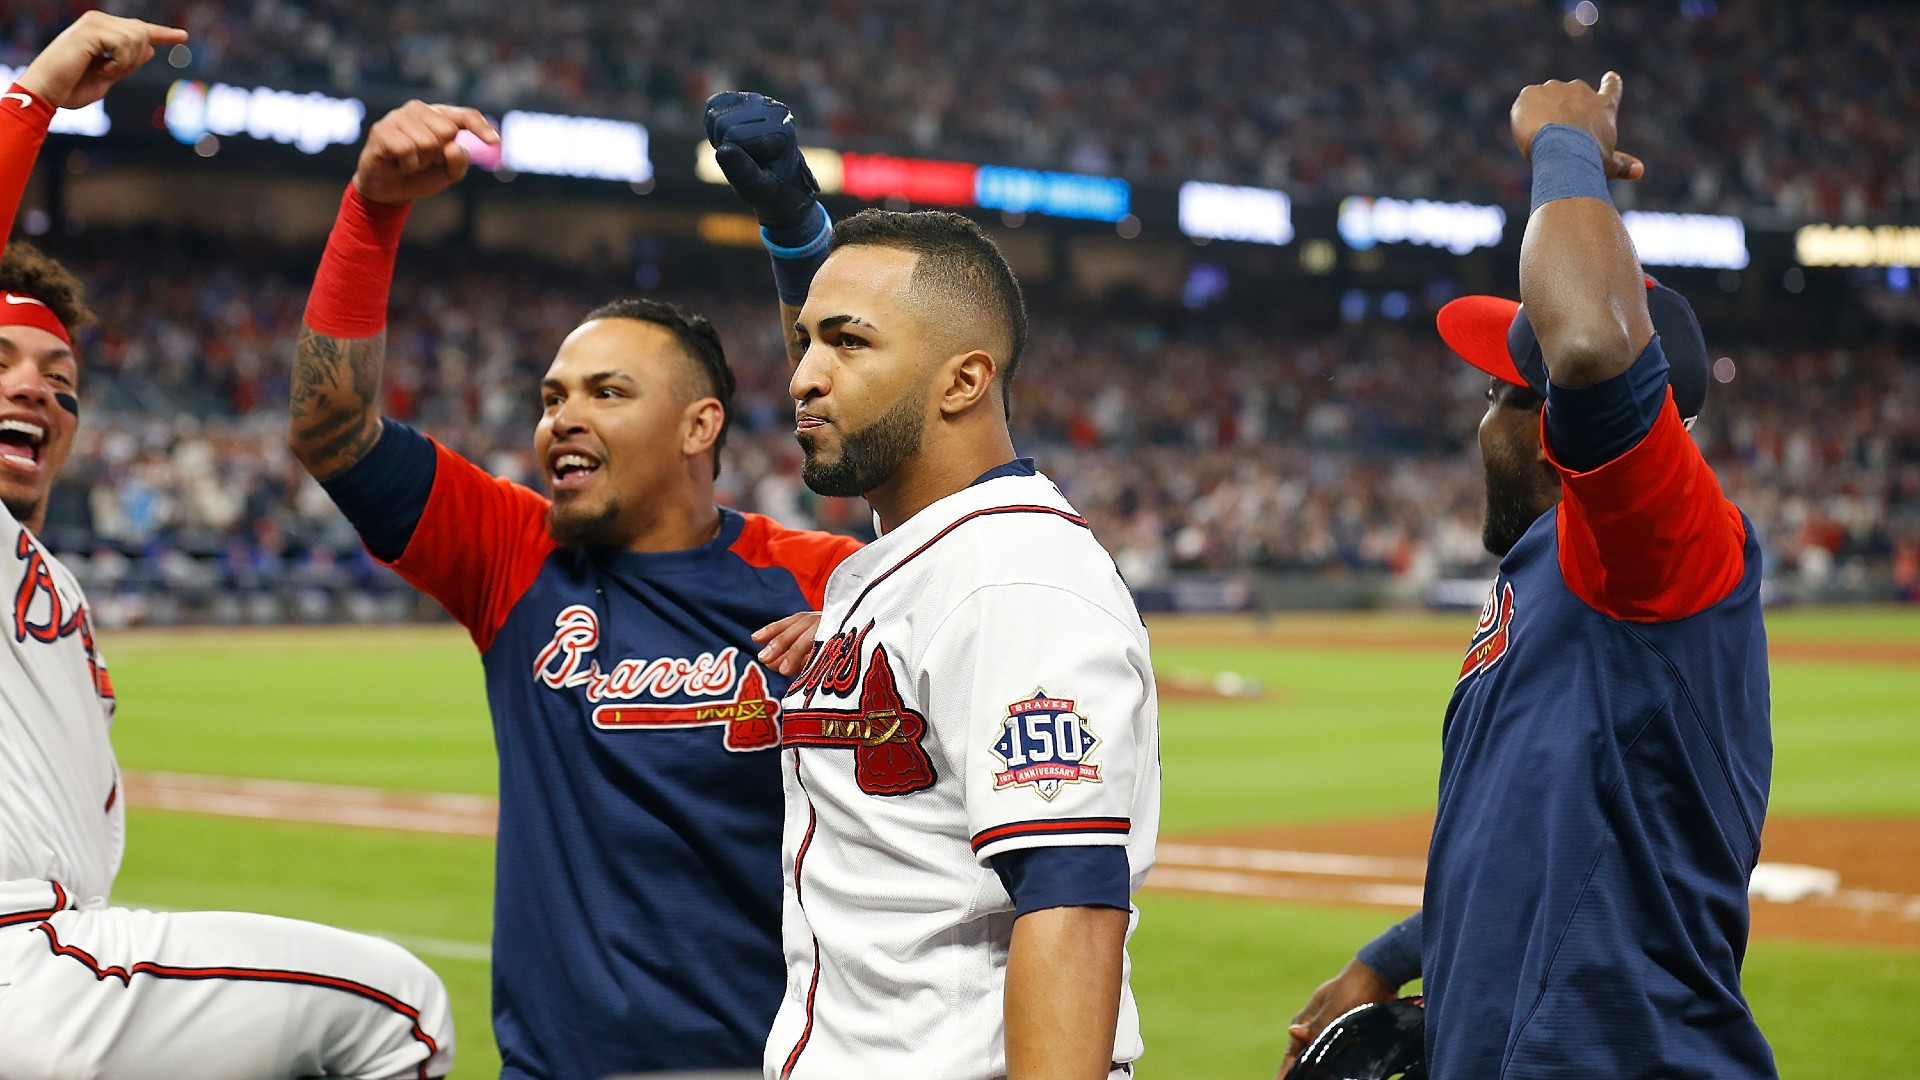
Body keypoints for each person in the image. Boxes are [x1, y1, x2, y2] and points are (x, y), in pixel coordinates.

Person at [287, 100, 862, 1080]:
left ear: (698, 427)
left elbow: (890, 434)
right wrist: (374, 207)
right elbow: (331, 427)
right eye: (553, 396)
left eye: (607, 392)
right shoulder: (514, 553)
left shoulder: (822, 579)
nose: (562, 418)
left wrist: (800, 234)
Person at [1278, 73, 1775, 1080]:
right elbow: (1540, 834)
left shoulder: (1657, 546)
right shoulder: (1550, 569)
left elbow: (1588, 345)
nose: (1481, 424)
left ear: (1555, 427)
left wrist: (1564, 145)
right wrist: (1399, 956)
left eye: (1503, 396)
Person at [0, 14, 454, 1079]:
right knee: (404, 1012)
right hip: (24, 959)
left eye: (62, 385)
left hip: (59, 952)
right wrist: (35, 99)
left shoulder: (46, 575)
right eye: (4, 361)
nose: (38, 391)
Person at [708, 99, 1160, 1080]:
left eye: (847, 346)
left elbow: (1072, 910)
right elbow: (879, 347)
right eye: (805, 344)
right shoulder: (928, 548)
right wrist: (796, 228)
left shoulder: (1014, 577)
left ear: (963, 382)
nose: (803, 379)